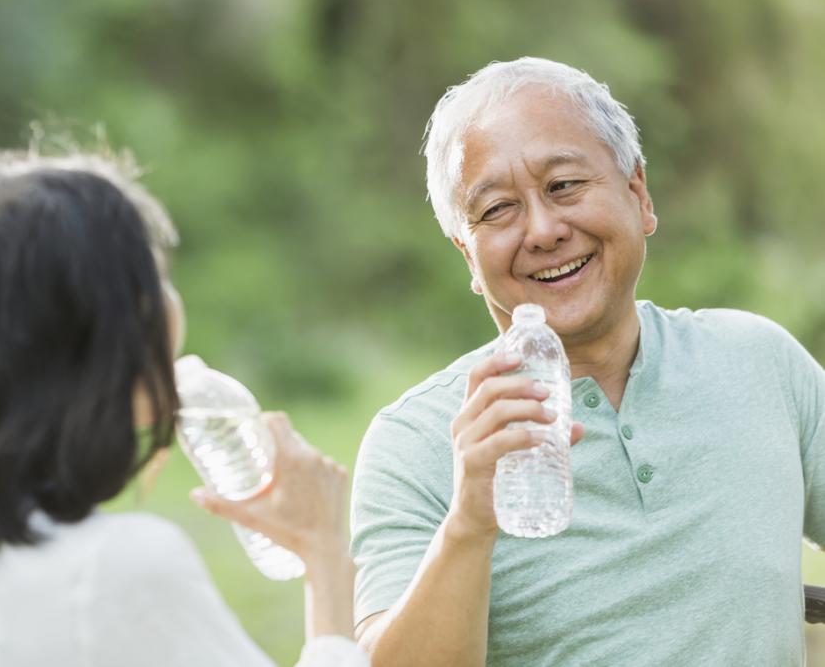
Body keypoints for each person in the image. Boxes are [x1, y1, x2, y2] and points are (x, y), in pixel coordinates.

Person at [350, 57, 825, 665]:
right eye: (497, 209)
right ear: (466, 253)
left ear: (639, 195)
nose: (544, 230)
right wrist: (469, 522)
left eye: (564, 185)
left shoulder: (759, 362)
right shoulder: (412, 443)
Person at [0, 150, 368, 666]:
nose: (171, 302)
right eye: (154, 277)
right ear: (104, 329)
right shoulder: (122, 566)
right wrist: (326, 561)